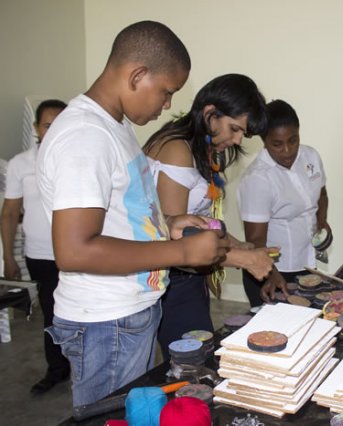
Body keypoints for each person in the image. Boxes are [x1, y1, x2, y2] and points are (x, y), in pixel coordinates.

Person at [36, 21, 230, 408]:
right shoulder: (84, 136)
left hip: (126, 312)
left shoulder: (114, 126)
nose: (167, 105)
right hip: (106, 321)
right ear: (137, 75)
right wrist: (182, 254)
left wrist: (170, 225)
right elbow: (75, 249)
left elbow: (119, 215)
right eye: (166, 92)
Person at [142, 74, 276, 360]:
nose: (238, 139)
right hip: (171, 281)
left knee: (199, 359)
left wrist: (242, 246)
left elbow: (200, 222)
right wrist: (243, 259)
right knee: (195, 365)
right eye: (234, 128)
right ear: (210, 114)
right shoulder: (178, 150)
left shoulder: (198, 148)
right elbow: (175, 243)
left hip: (187, 278)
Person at [1, 99, 70, 394]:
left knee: (83, 313)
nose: (53, 130)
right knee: (51, 314)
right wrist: (7, 257)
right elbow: (9, 213)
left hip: (78, 252)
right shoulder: (21, 164)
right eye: (47, 124)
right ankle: (57, 369)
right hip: (41, 255)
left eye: (60, 123)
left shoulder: (77, 158)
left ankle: (87, 369)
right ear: (36, 128)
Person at [237, 99, 329, 307]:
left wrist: (322, 222)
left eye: (293, 140)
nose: (287, 151)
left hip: (307, 265)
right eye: (277, 144)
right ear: (264, 140)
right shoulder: (257, 179)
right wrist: (271, 274)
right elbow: (255, 240)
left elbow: (321, 194)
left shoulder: (310, 156)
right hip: (273, 273)